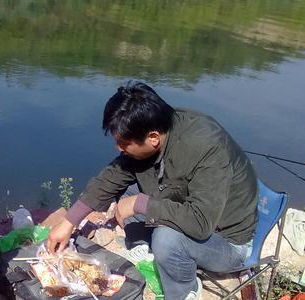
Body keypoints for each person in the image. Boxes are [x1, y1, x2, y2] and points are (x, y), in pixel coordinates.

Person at [47, 81, 258, 300]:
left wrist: (140, 204)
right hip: (187, 205)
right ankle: (147, 250)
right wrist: (68, 222)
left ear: (153, 138)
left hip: (226, 240)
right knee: (127, 188)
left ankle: (186, 289)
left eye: (123, 143)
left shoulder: (208, 148)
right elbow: (113, 176)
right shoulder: (157, 128)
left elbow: (201, 224)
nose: (118, 148)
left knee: (167, 239)